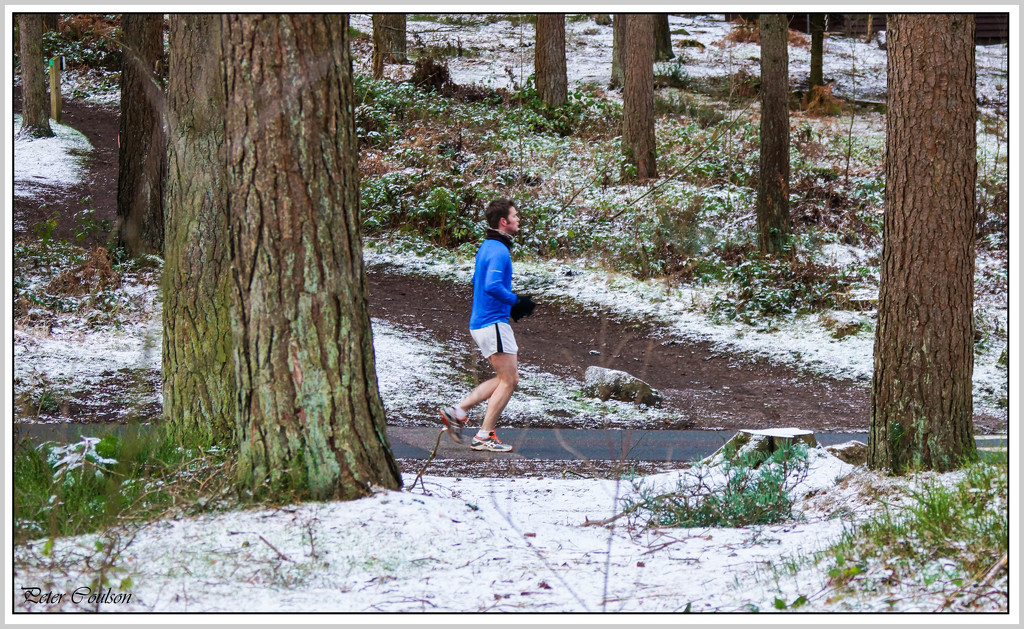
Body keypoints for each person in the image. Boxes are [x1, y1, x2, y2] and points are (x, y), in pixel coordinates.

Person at [439, 198, 536, 452]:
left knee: (509, 377)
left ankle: (457, 411)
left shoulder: (488, 246)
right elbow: (491, 286)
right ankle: (483, 436)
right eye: (515, 216)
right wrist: (515, 302)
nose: (518, 220)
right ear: (503, 222)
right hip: (492, 323)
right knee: (509, 380)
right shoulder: (498, 250)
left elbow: (477, 280)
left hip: (485, 321)